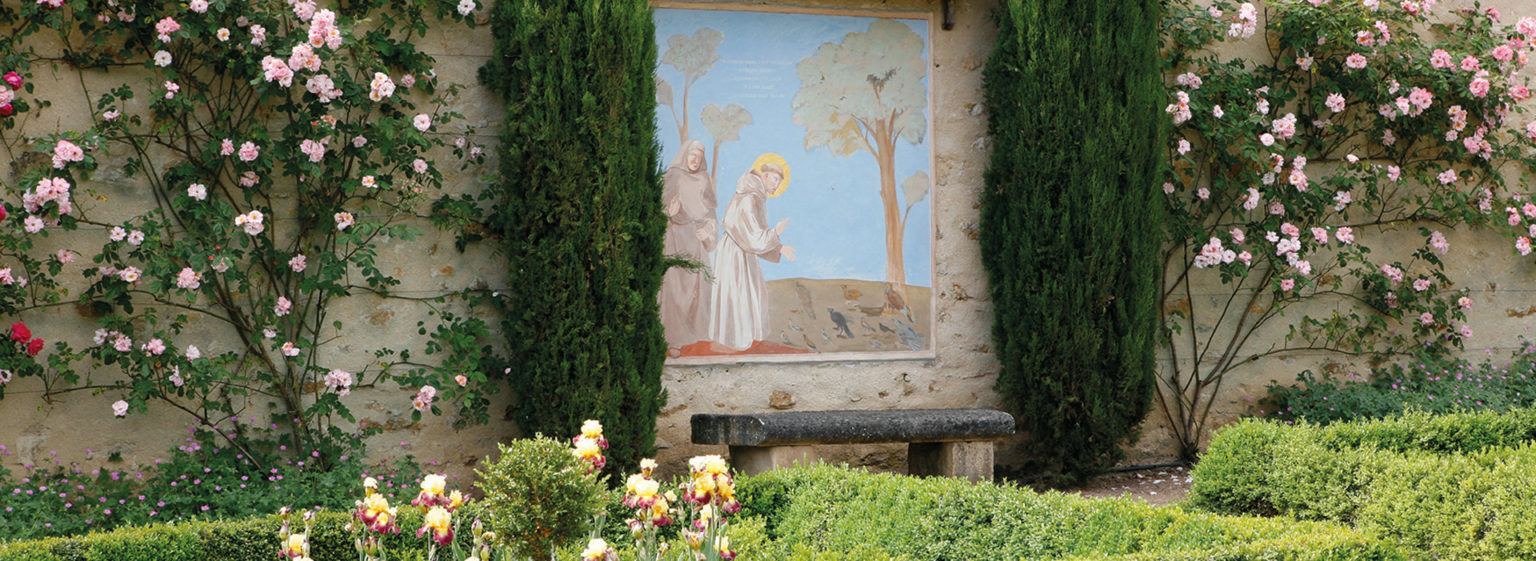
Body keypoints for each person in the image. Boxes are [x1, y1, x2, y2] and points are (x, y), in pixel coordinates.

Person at [710, 160, 795, 351]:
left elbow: (754, 236)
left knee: (748, 292)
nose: (776, 185)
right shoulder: (749, 198)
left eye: (779, 182)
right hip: (735, 251)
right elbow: (753, 237)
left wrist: (779, 248)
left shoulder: (755, 196)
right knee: (737, 293)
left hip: (742, 250)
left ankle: (739, 339)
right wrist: (776, 233)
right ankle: (733, 341)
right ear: (765, 176)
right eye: (775, 179)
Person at [659, 140, 717, 355]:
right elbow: (659, 207)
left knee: (698, 290)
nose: (695, 160)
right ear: (685, 155)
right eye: (692, 155)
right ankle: (674, 339)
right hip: (675, 238)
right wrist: (668, 214)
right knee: (674, 289)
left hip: (696, 239)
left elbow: (711, 212)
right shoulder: (673, 176)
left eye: (699, 157)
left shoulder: (704, 178)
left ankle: (694, 335)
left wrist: (708, 230)